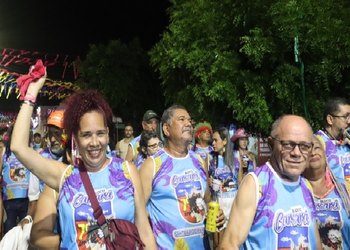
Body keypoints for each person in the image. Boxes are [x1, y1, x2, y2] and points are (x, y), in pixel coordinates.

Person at [10, 70, 156, 249]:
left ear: (108, 134)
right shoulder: (65, 176)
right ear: (76, 139)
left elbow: (144, 230)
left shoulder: (127, 171)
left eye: (100, 133)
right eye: (86, 135)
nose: (95, 143)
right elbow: (18, 147)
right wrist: (31, 95)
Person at [220, 114, 322, 249]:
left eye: (304, 146)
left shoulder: (306, 186)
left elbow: (316, 243)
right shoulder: (255, 184)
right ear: (271, 144)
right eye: (288, 144)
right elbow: (228, 245)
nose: (296, 153)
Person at [140, 104, 224, 249]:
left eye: (189, 120)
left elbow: (207, 198)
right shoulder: (152, 165)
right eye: (181, 119)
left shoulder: (199, 161)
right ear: (166, 129)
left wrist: (217, 213)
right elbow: (138, 212)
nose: (188, 124)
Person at [303, 135, 350, 249]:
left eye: (317, 148)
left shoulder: (345, 188)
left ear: (325, 154)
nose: (313, 152)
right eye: (308, 148)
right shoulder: (294, 192)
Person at [24, 109, 66, 228]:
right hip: (48, 224)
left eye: (57, 134)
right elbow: (34, 197)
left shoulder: (76, 157)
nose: (52, 139)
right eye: (50, 134)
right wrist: (28, 218)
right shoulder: (40, 158)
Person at [209, 127, 238, 249]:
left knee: (231, 243)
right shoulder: (210, 158)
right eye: (212, 141)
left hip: (232, 204)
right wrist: (209, 183)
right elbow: (207, 186)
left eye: (216, 140)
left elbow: (240, 182)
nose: (213, 143)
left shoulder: (236, 157)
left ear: (225, 141)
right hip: (217, 204)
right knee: (217, 244)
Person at [314, 97, 350, 193]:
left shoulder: (347, 140)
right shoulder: (316, 144)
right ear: (330, 119)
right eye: (345, 117)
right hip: (330, 204)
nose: (349, 121)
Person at [1, 125, 30, 234]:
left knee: (25, 234)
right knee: (9, 232)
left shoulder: (28, 151)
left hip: (25, 198)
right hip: (9, 200)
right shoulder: (4, 151)